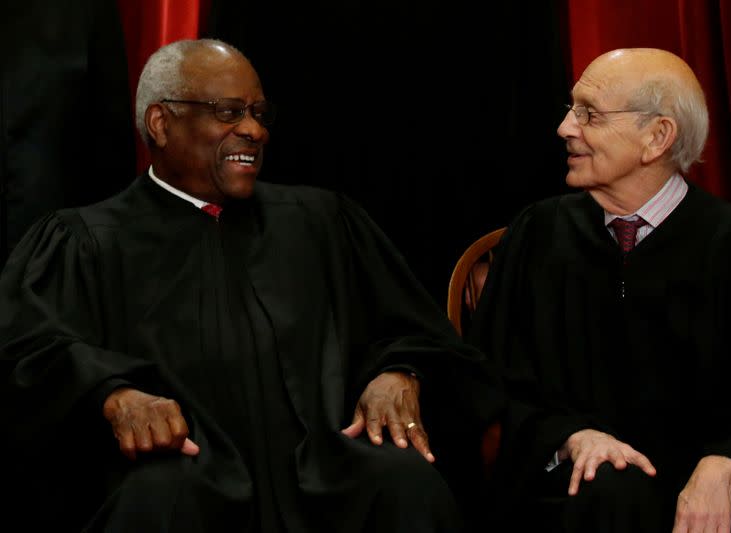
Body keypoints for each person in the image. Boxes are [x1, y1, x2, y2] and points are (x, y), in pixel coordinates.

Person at [0, 38, 503, 533]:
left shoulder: (320, 222)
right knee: (154, 500)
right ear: (161, 123)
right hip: (180, 471)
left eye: (260, 114)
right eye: (228, 112)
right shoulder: (84, 241)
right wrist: (114, 394)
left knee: (404, 482)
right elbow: (29, 353)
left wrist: (400, 373)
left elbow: (422, 334)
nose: (253, 130)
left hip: (326, 470)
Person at [468, 48, 731, 532]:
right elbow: (489, 382)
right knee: (607, 493)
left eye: (589, 115)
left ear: (657, 137)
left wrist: (726, 462)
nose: (565, 128)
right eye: (571, 109)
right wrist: (571, 438)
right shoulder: (539, 234)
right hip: (584, 487)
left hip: (716, 484)